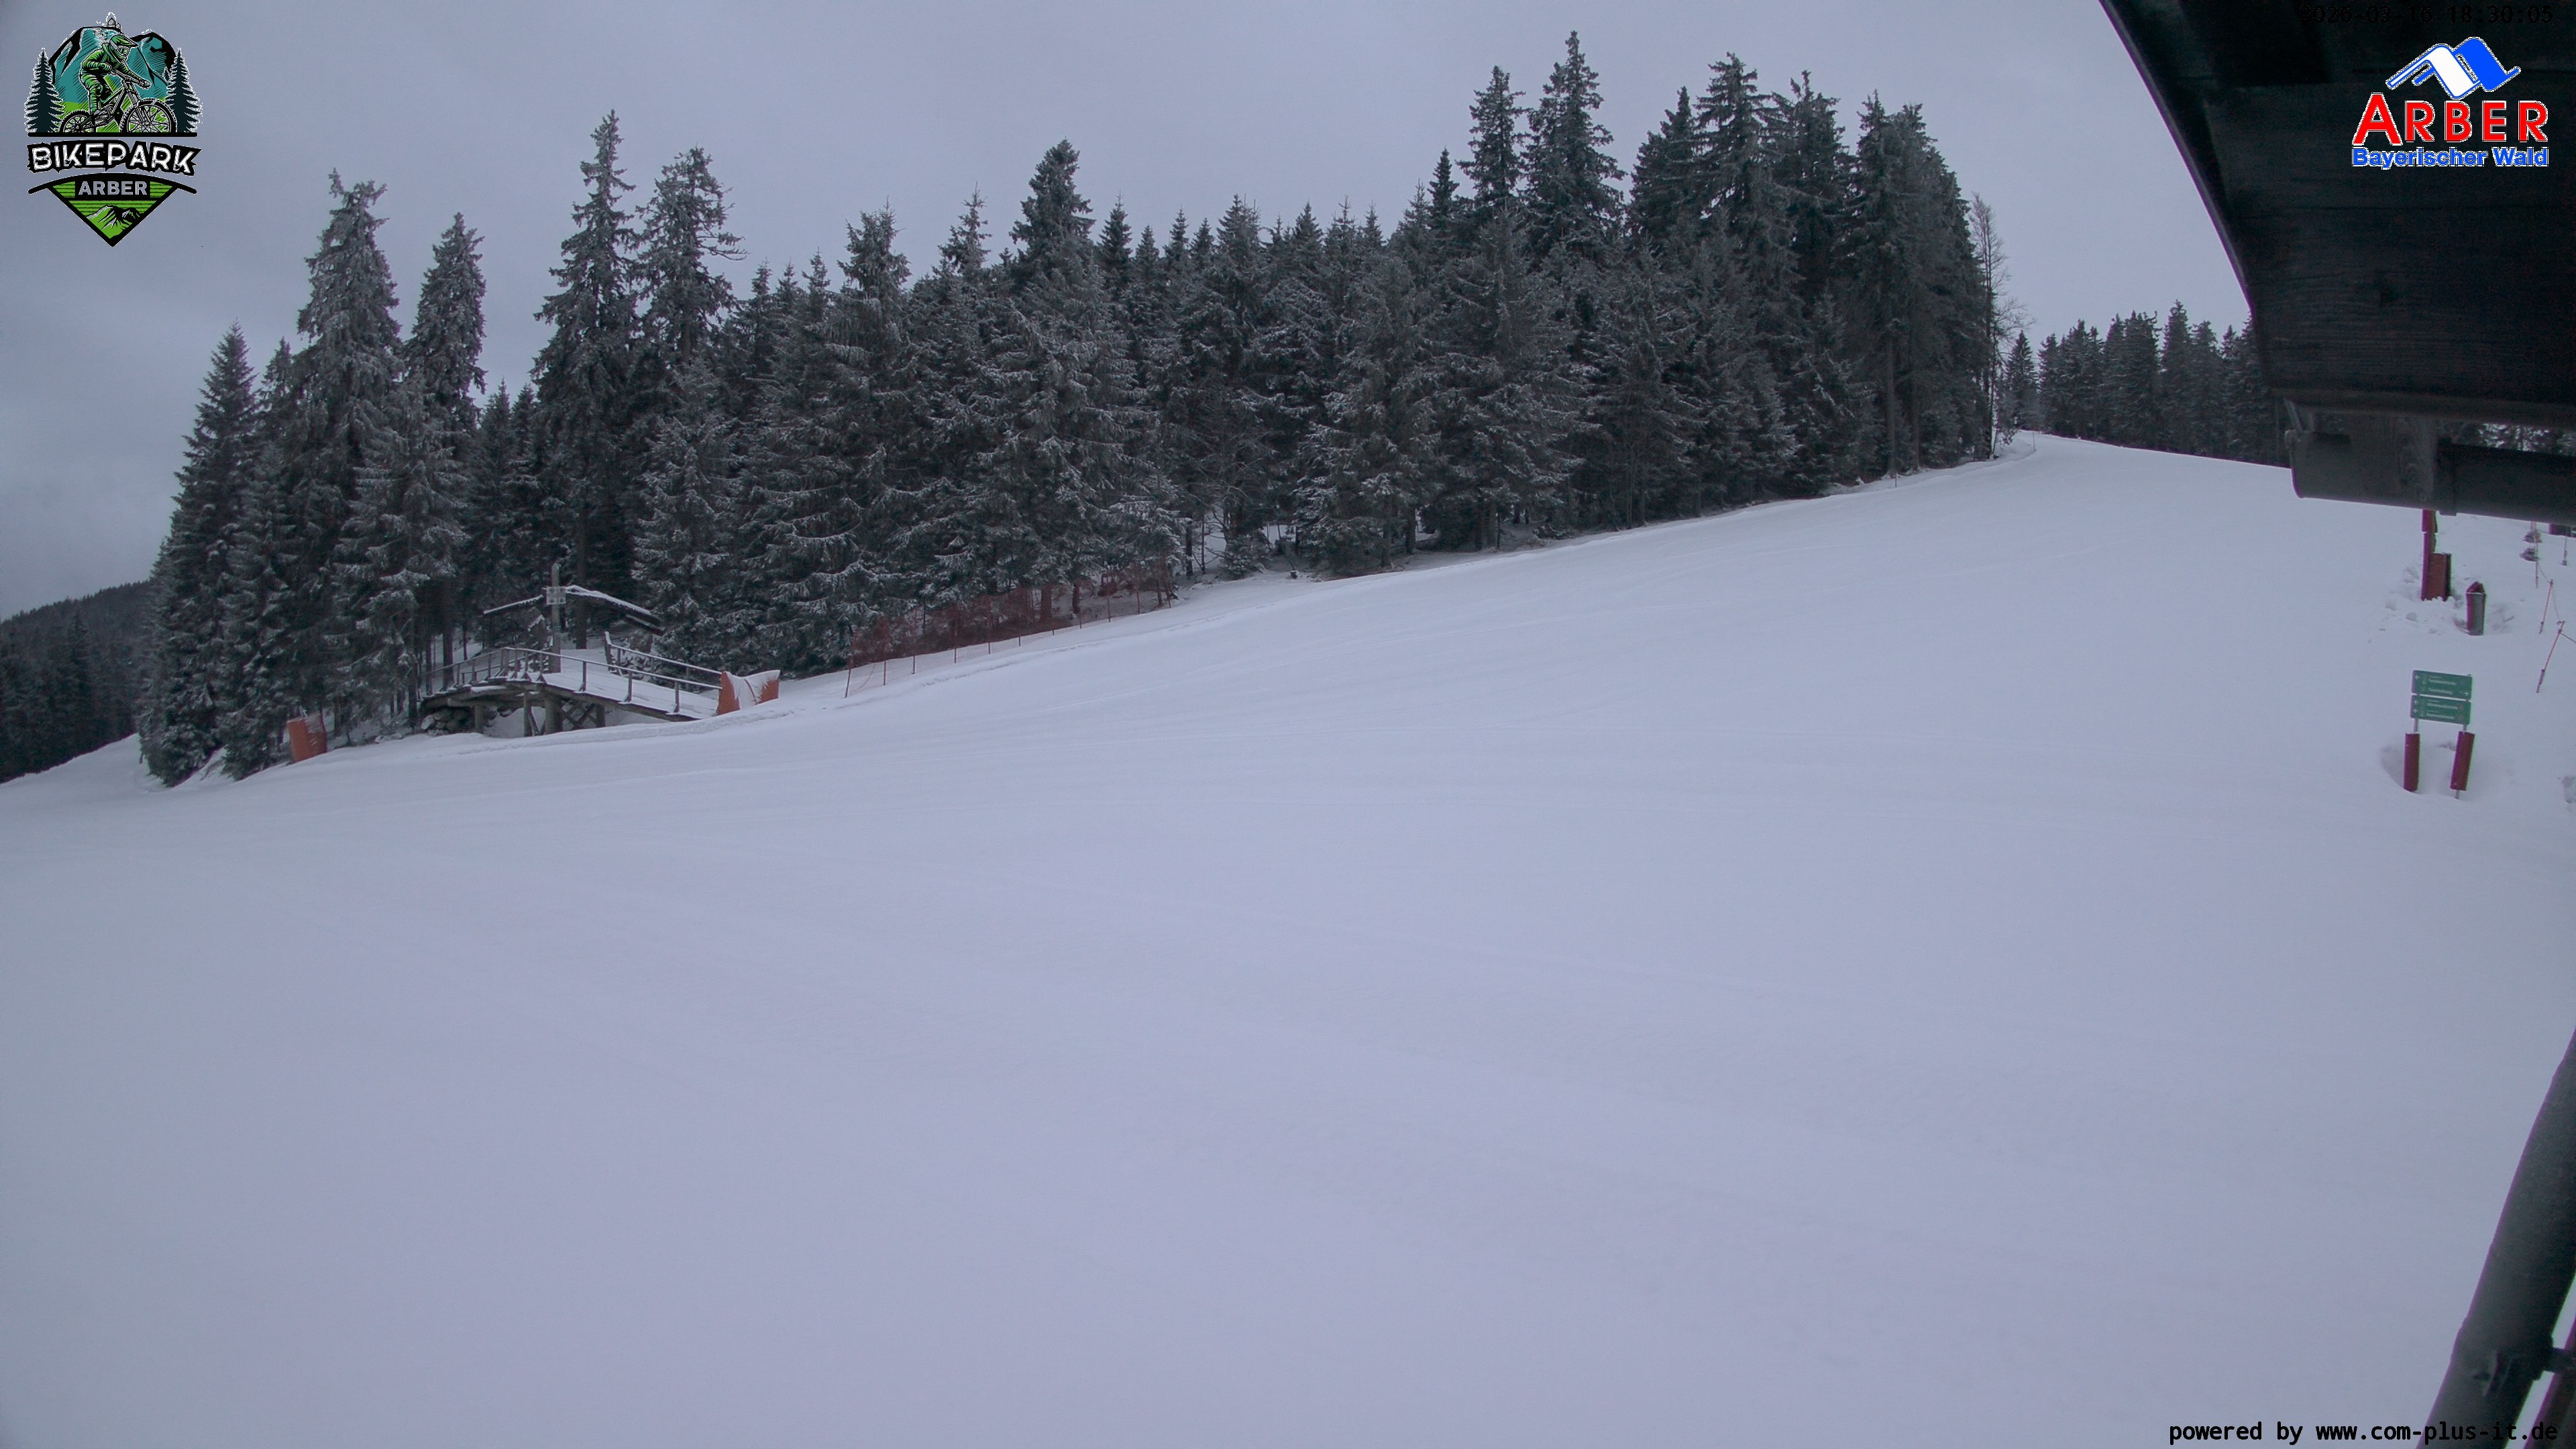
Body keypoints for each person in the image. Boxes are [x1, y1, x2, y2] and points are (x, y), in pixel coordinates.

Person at [77, 15, 146, 127]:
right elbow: (85, 64)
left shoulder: (118, 62)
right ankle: (94, 112)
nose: (124, 54)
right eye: (122, 50)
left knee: (113, 104)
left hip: (99, 77)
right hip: (87, 74)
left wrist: (140, 81)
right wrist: (102, 65)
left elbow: (128, 72)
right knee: (97, 87)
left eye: (127, 51)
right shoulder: (102, 53)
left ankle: (123, 128)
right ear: (114, 47)